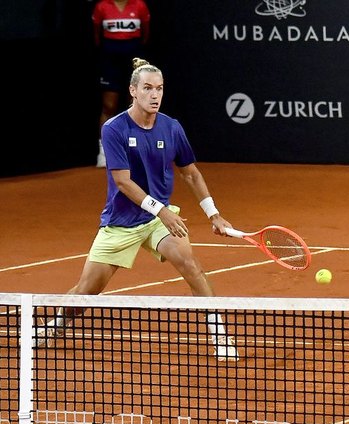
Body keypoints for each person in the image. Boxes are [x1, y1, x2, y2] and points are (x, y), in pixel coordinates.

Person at [35, 58, 239, 361]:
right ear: (133, 90)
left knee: (191, 266)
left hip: (158, 220)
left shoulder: (172, 127)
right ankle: (58, 324)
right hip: (122, 222)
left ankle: (220, 335)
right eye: (147, 88)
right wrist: (163, 212)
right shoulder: (114, 128)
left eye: (159, 88)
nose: (155, 95)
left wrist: (213, 214)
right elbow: (123, 183)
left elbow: (191, 173)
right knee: (87, 291)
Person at [93, 0, 151, 167]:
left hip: (133, 59)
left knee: (135, 105)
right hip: (110, 61)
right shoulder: (102, 6)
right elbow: (97, 36)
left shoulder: (139, 5)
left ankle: (135, 150)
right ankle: (104, 152)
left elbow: (145, 36)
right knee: (108, 105)